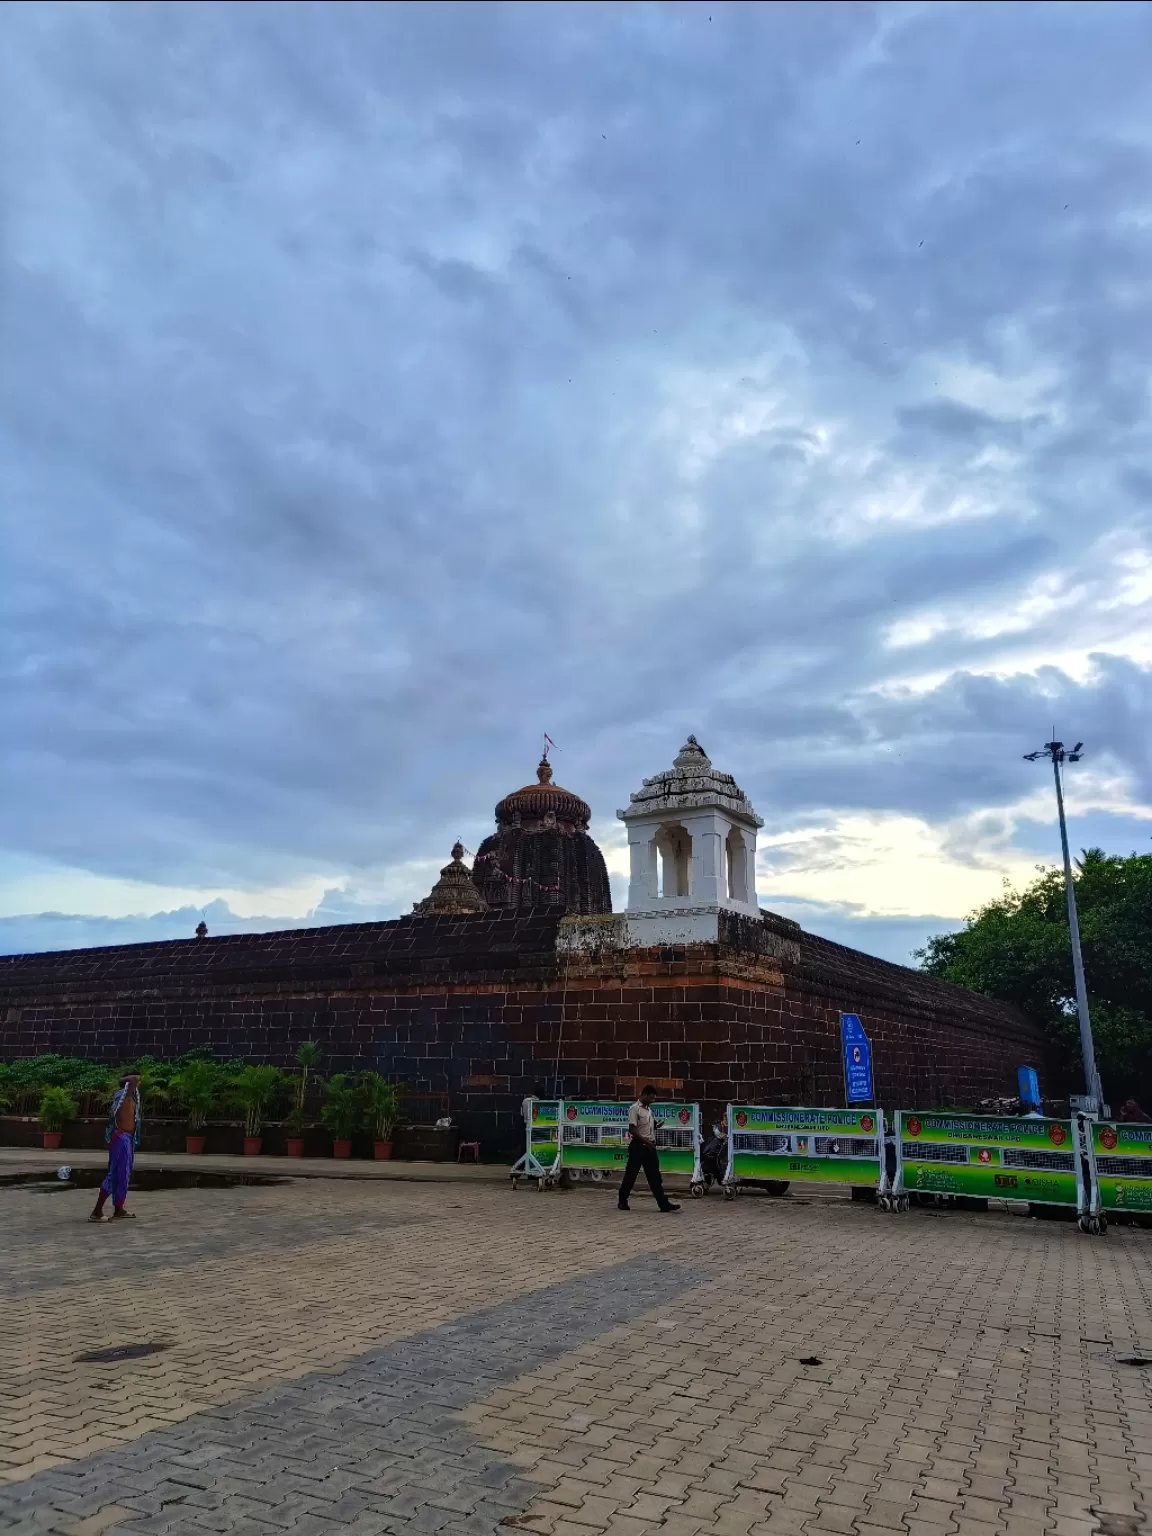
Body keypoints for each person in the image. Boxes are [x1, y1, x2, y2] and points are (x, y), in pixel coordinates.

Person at [617, 1085, 680, 1213]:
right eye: (651, 1098)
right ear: (644, 1095)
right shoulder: (634, 1109)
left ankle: (663, 1204)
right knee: (631, 1174)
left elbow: (647, 1126)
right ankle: (622, 1201)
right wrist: (646, 1141)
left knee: (655, 1176)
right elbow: (632, 1129)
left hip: (649, 1146)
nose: (653, 1100)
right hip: (638, 1146)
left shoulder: (649, 1110)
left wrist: (656, 1125)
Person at [89, 1073, 141, 1223]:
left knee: (124, 1175)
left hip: (128, 1139)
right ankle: (96, 1211)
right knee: (113, 1174)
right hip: (120, 1138)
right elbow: (133, 1079)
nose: (137, 1083)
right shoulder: (121, 1096)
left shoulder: (133, 1099)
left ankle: (118, 1209)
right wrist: (125, 1080)